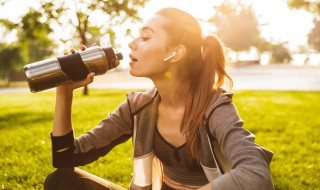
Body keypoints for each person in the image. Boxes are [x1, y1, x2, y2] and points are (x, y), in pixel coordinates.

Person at [44, 7, 274, 190]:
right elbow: (66, 158)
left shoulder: (214, 107)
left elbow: (256, 175)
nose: (132, 44)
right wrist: (64, 92)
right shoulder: (137, 107)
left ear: (175, 53)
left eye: (145, 37)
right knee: (61, 181)